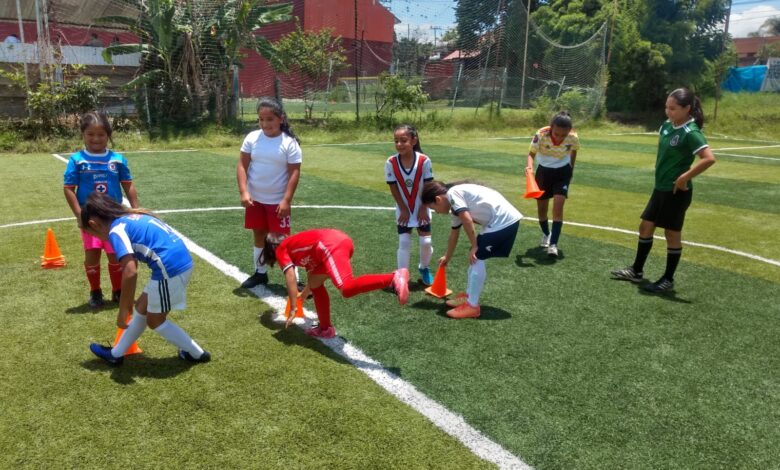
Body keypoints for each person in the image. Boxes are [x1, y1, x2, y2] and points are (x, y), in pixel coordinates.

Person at [83, 192, 210, 366]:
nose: (96, 238)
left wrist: (123, 309)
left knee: (155, 321)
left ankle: (197, 353)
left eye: (92, 234)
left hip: (169, 269)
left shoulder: (116, 231)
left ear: (94, 224)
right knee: (142, 307)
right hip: (176, 263)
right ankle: (116, 353)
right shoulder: (131, 217)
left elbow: (130, 271)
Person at [611, 88, 716, 293]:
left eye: (673, 108)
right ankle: (637, 271)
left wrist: (685, 177)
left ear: (687, 109)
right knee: (645, 227)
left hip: (676, 192)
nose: (668, 112)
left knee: (671, 233)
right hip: (660, 188)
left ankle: (668, 279)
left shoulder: (691, 132)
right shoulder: (667, 126)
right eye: (666, 107)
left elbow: (709, 158)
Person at [262, 229, 410, 338]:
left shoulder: (282, 248)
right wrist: (303, 295)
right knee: (315, 283)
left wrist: (294, 306)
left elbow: (290, 275)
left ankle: (393, 278)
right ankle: (325, 329)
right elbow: (312, 278)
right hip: (338, 241)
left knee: (346, 288)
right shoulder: (298, 248)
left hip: (330, 245)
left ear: (270, 249)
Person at [64, 111, 139, 308]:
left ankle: (117, 291)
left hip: (115, 217)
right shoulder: (77, 160)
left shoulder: (118, 160)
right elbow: (68, 189)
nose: (96, 139)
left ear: (108, 135)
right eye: (90, 134)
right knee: (92, 254)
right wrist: (80, 214)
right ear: (83, 134)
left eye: (101, 134)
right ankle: (95, 291)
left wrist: (135, 210)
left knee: (116, 255)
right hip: (91, 219)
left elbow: (128, 185)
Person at [421, 181, 522, 319]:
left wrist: (475, 246)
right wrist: (447, 257)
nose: (436, 212)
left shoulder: (452, 194)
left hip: (503, 221)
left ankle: (472, 306)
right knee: (475, 258)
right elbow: (454, 234)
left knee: (477, 257)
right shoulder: (454, 206)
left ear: (438, 199)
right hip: (498, 222)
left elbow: (467, 220)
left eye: (433, 208)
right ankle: (468, 298)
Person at [237, 97, 302, 289]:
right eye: (261, 119)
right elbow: (242, 165)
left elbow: (294, 173)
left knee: (282, 240)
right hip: (255, 200)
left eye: (270, 119)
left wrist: (286, 200)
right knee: (259, 235)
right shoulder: (252, 138)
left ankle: (295, 279)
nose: (265, 124)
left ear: (280, 118)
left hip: (277, 202)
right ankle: (260, 273)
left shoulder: (289, 143)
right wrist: (244, 191)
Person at [385, 124, 435, 285]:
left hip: (422, 208)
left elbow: (429, 186)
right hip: (403, 210)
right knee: (404, 242)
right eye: (396, 141)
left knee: (426, 242)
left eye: (403, 140)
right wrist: (404, 209)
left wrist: (423, 207)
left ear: (414, 140)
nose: (399, 144)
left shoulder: (424, 160)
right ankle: (402, 277)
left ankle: (424, 267)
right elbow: (393, 188)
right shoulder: (391, 162)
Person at [526, 111, 580, 258]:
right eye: (557, 134)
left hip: (563, 173)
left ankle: (553, 244)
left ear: (569, 131)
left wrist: (571, 170)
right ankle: (546, 234)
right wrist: (529, 168)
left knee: (558, 206)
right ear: (551, 128)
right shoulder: (541, 134)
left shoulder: (573, 137)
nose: (560, 137)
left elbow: (573, 152)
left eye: (564, 135)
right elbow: (531, 154)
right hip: (543, 173)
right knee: (542, 210)